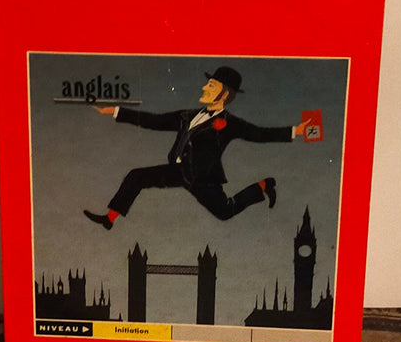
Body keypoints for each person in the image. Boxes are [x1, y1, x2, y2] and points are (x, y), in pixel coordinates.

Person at [83, 65, 313, 229]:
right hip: (179, 171)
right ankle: (110, 219)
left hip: (203, 179)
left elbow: (259, 134)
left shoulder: (229, 123)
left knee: (225, 212)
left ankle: (263, 185)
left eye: (210, 85)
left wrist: (295, 131)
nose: (204, 88)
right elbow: (155, 121)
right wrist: (117, 112)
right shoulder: (186, 115)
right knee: (137, 176)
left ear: (223, 93)